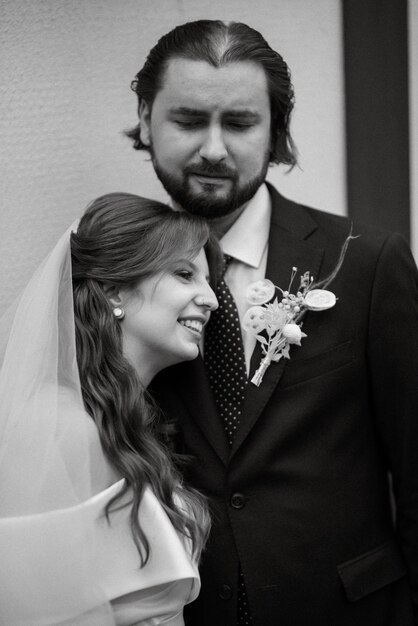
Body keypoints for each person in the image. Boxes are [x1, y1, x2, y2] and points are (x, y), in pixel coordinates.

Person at [126, 19, 418, 626]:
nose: (212, 148)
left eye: (239, 122)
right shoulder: (114, 275)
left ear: (276, 131)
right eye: (187, 120)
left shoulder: (366, 261)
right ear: (147, 118)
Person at [0, 192, 219, 625]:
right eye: (185, 274)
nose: (210, 299)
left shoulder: (125, 423)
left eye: (208, 280)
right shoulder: (58, 425)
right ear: (114, 289)